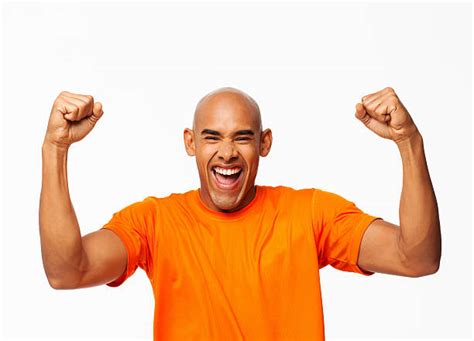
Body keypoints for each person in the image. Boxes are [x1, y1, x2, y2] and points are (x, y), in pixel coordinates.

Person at [40, 86, 441, 340]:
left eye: (242, 138)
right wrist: (55, 150)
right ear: (190, 143)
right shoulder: (154, 221)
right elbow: (66, 272)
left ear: (264, 143)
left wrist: (409, 142)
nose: (227, 153)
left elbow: (417, 258)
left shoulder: (311, 213)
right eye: (212, 137)